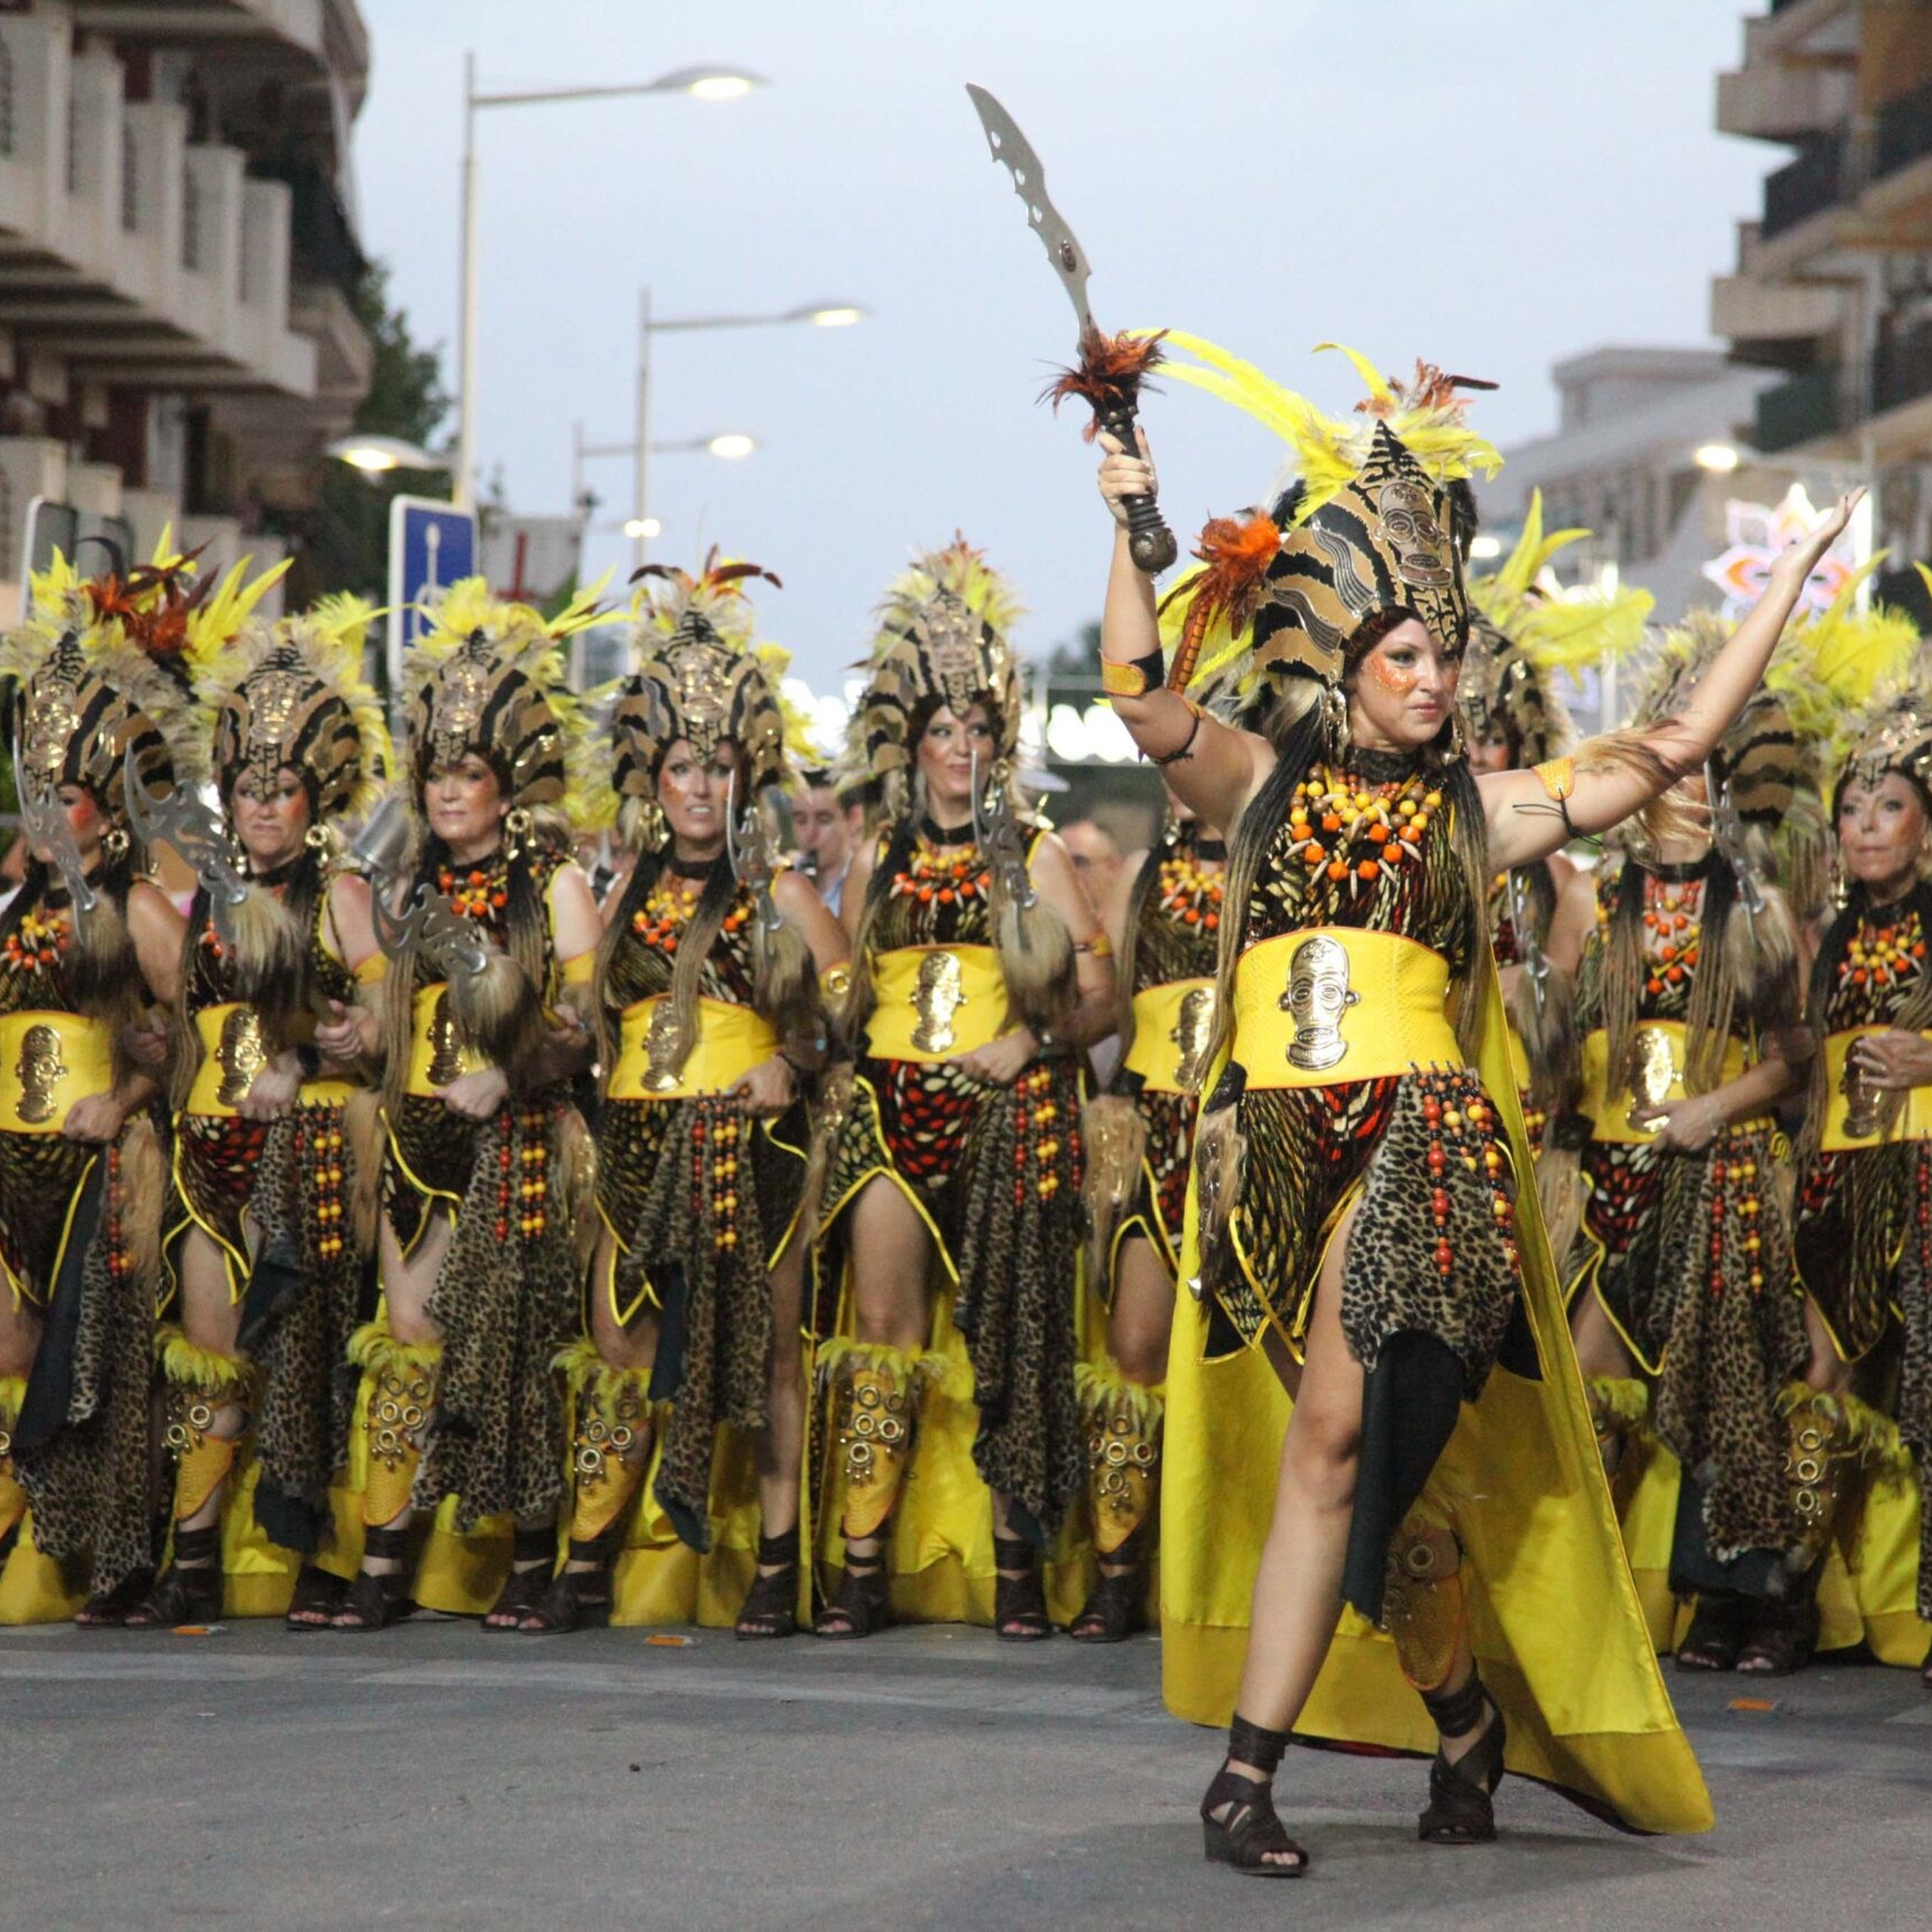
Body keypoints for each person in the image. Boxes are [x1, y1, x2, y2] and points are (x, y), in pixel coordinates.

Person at [1092, 331, 1847, 1866]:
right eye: (1403, 659)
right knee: (1373, 1478)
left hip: (1423, 1150)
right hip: (1274, 1152)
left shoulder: (1482, 810)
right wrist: (1121, 519)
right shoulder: (1254, 782)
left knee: (1326, 1440)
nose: (1434, 681)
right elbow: (1133, 694)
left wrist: (1786, 577)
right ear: (1341, 660)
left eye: (1446, 658)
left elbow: (1675, 742)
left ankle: (1241, 1777)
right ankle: (1460, 1715)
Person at [522, 554, 849, 1635]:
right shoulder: (621, 895)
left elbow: (847, 1008)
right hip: (636, 1150)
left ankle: (775, 1563)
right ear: (649, 779)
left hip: (756, 1154)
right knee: (620, 1345)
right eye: (679, 769)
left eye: (717, 769)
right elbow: (590, 1021)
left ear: (744, 776)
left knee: (766, 1353)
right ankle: (591, 1557)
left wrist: (791, 1065)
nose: (700, 788)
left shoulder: (783, 888)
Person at [808, 540, 1115, 1639]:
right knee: (882, 1327)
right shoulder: (880, 849)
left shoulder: (1033, 852)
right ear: (914, 741)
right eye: (942, 730)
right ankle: (860, 1566)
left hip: (1005, 1110)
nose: (960, 750)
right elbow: (840, 989)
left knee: (1011, 1328)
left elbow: (1104, 996)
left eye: (978, 730)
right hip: (891, 1106)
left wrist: (1032, 1049)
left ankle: (1017, 1566)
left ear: (1002, 739)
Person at [328, 580, 605, 1632]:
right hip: (414, 1133)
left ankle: (534, 1561)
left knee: (517, 1345)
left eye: (469, 773)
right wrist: (362, 1039)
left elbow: (584, 1021)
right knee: (407, 1333)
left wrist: (516, 1067)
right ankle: (387, 1557)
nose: (449, 794)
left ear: (506, 785)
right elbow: (388, 1004)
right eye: (436, 772)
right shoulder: (403, 888)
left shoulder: (555, 886)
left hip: (520, 1140)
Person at [1545, 618, 1815, 1672]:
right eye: (1679, 773)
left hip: (1723, 1174)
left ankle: (1738, 1602)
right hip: (1607, 1178)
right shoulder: (1587, 900)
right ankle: (1592, 1599)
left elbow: (1797, 1057)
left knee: (1726, 1384)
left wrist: (1714, 1110)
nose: (1695, 794)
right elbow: (1560, 1044)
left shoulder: (1760, 907)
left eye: (1712, 776)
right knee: (1589, 1380)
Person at [134, 594, 389, 1629]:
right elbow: (181, 1017)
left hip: (314, 1155)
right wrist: (156, 1053)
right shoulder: (204, 896)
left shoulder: (341, 891)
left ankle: (323, 1557)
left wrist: (356, 1034)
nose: (263, 810)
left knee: (308, 1352)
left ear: (313, 795)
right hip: (207, 1147)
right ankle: (195, 1558)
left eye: (281, 792)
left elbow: (382, 991)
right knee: (208, 1343)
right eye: (247, 791)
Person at [0, 546, 192, 1624]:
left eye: (63, 795)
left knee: (94, 1370)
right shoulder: (8, 908)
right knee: (8, 1356)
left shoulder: (145, 910)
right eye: (33, 791)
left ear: (108, 807)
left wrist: (119, 1105)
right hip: (6, 1163)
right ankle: (22, 1548)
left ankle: (92, 1560)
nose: (43, 812)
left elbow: (183, 1036)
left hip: (101, 1169)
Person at [1790, 609, 1932, 1689]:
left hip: (1927, 1180)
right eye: (1853, 807)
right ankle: (1807, 1602)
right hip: (1837, 1182)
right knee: (1821, 1377)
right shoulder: (1826, 931)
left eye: (1890, 807)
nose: (1867, 824)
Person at [1457, 491, 1650, 1174]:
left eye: (1495, 739)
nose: (1478, 756)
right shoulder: (1407, 854)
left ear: (1523, 746)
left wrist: (1536, 986)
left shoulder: (1559, 880)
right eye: (1464, 738)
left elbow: (1573, 1026)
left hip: (1525, 1118)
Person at [1074, 781, 1223, 1640]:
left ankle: (1218, 1580)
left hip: (1241, 1137)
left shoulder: (1276, 857)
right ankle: (1118, 1574)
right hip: (1149, 1129)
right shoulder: (1142, 870)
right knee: (1134, 1352)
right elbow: (1118, 1002)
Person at [793, 766, 864, 917]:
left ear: (852, 819)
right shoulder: (782, 880)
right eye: (800, 820)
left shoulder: (864, 882)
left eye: (824, 820)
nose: (810, 833)